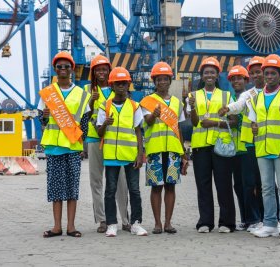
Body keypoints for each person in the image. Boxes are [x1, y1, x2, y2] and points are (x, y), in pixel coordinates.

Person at [39, 51, 91, 238]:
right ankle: (56, 227)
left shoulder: (81, 94)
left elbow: (85, 121)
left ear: (72, 69)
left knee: (71, 187)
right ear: (55, 69)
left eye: (66, 66)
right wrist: (43, 118)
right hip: (53, 147)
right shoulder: (48, 93)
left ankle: (71, 226)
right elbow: (43, 122)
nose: (63, 69)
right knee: (55, 188)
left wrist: (81, 143)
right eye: (59, 67)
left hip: (72, 147)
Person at [187, 57, 238, 233]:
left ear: (217, 75)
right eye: (206, 72)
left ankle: (227, 222)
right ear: (201, 76)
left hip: (220, 146)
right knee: (203, 185)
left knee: (223, 184)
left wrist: (214, 123)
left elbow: (234, 122)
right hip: (200, 146)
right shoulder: (193, 96)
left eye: (212, 72)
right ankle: (205, 222)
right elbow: (193, 123)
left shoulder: (227, 95)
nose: (209, 75)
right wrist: (192, 108)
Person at [247, 54, 280, 239]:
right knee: (266, 187)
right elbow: (253, 121)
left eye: (273, 73)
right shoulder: (257, 97)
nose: (269, 76)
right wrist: (253, 127)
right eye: (266, 73)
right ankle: (269, 224)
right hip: (262, 149)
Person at [96, 67, 147, 237]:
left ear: (128, 85)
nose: (121, 86)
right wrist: (105, 124)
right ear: (112, 85)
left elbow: (139, 131)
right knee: (110, 191)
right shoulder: (105, 106)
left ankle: (136, 223)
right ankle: (112, 224)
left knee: (134, 190)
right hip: (111, 156)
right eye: (117, 83)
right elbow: (99, 132)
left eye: (124, 83)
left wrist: (140, 154)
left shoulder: (134, 106)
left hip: (130, 155)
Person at [218, 57, 266, 232]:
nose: (237, 81)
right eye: (233, 79)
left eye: (240, 78)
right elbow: (236, 107)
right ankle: (249, 219)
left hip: (257, 145)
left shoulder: (268, 93)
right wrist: (227, 111)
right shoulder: (241, 95)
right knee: (243, 185)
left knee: (261, 184)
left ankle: (264, 218)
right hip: (239, 148)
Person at [140, 62, 189, 234]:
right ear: (154, 81)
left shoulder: (176, 102)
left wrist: (184, 154)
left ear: (169, 81)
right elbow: (147, 122)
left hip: (174, 150)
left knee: (170, 186)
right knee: (156, 187)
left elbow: (179, 128)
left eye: (165, 79)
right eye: (159, 79)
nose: (162, 82)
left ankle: (168, 223)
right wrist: (153, 115)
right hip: (155, 150)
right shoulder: (147, 101)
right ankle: (157, 223)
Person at [85, 55, 130, 233]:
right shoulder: (87, 91)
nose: (101, 72)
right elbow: (83, 118)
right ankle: (102, 220)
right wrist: (90, 101)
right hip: (95, 140)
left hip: (114, 140)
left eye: (104, 69)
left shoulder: (116, 90)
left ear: (109, 71)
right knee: (96, 181)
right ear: (93, 73)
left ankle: (125, 220)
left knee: (121, 182)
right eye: (98, 69)